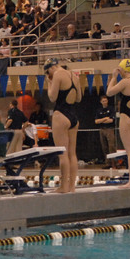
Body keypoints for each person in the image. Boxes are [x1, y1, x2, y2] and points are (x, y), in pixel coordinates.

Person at [45, 58, 80, 193]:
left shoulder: (58, 74)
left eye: (49, 73)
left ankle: (63, 187)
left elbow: (52, 97)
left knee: (63, 154)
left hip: (61, 115)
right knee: (72, 153)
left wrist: (50, 83)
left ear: (51, 68)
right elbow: (78, 98)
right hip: (73, 116)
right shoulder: (73, 75)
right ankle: (72, 187)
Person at [106, 58, 130, 188]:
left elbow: (109, 92)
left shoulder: (125, 82)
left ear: (121, 70)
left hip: (127, 117)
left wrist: (113, 77)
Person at [95, 95, 116, 165]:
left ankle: (113, 163)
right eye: (103, 101)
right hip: (102, 129)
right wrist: (104, 119)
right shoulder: (99, 110)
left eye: (106, 101)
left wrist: (102, 120)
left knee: (111, 146)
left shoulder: (111, 109)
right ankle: (107, 163)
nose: (105, 102)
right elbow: (96, 121)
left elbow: (111, 120)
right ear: (101, 102)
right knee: (104, 147)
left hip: (109, 129)